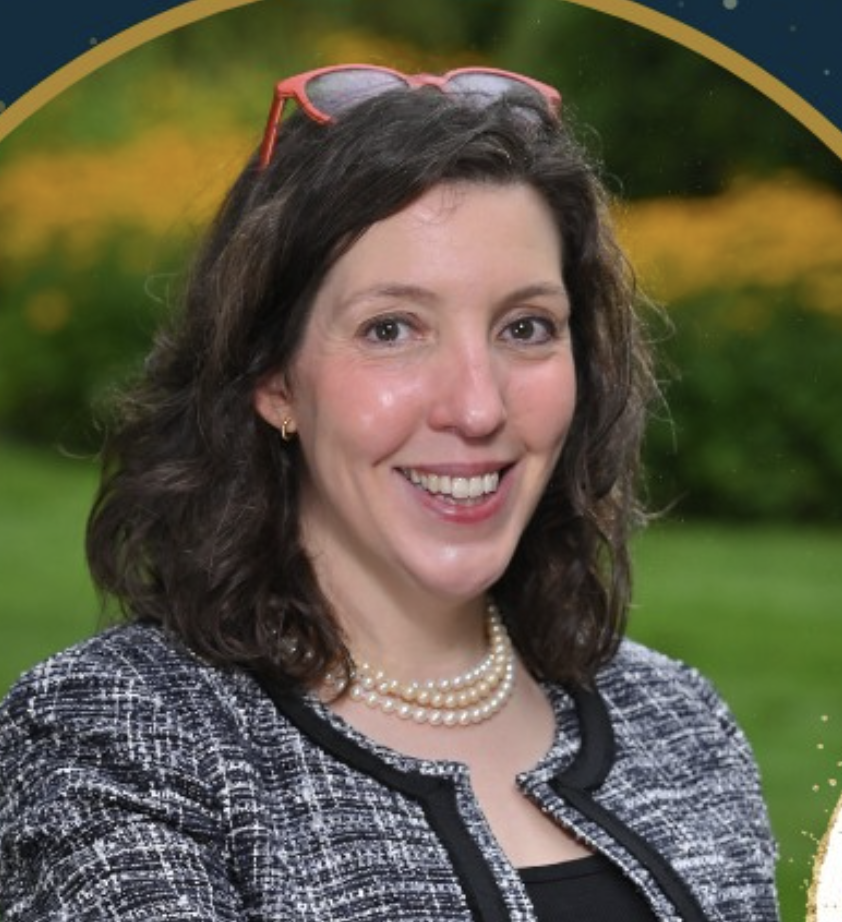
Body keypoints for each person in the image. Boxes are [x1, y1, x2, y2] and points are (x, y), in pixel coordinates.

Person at [0, 65, 778, 921]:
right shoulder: (117, 738)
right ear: (274, 379)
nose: (478, 407)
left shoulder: (678, 722)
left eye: (526, 328)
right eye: (392, 329)